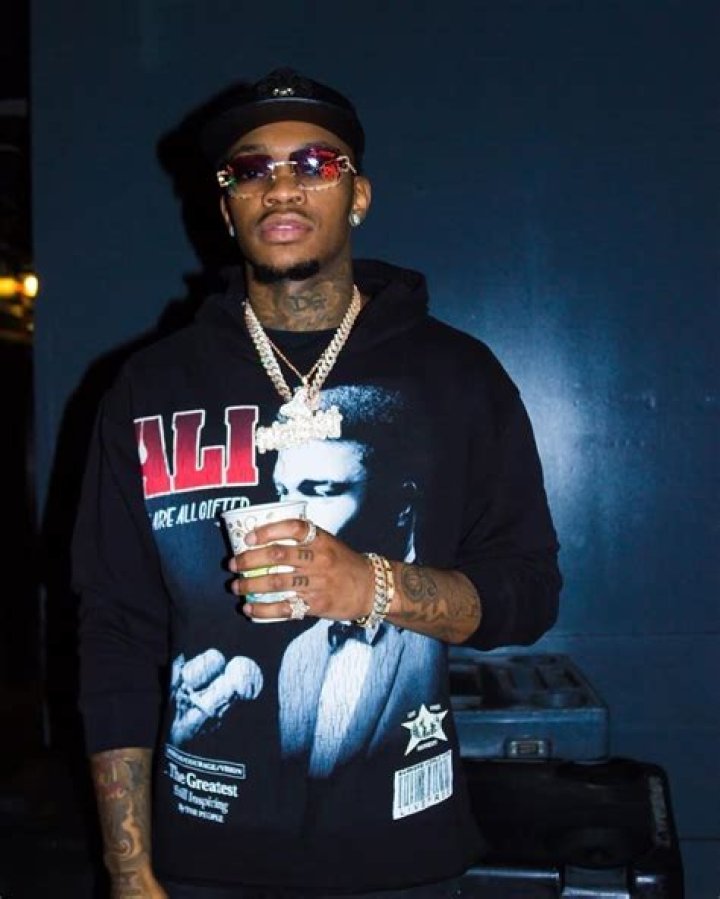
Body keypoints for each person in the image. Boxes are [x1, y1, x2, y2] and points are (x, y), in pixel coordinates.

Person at [72, 66, 562, 898]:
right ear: (226, 207)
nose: (281, 186)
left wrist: (371, 585)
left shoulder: (457, 377)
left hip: (402, 855)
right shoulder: (148, 387)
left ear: (358, 194)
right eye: (250, 169)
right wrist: (129, 868)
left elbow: (530, 592)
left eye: (314, 162)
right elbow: (115, 630)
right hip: (202, 856)